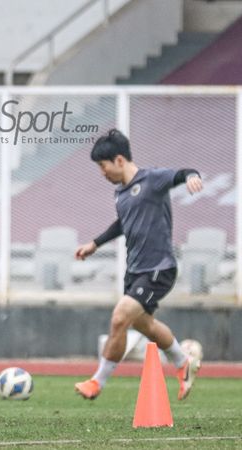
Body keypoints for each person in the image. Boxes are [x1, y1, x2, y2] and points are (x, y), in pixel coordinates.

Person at [73, 129, 203, 401]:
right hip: (135, 272)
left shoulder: (151, 179)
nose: (102, 173)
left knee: (120, 317)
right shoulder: (120, 194)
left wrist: (192, 177)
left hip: (159, 268)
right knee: (147, 326)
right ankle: (183, 364)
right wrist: (94, 244)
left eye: (102, 166)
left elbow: (182, 173)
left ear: (119, 160)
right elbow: (123, 223)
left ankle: (97, 382)